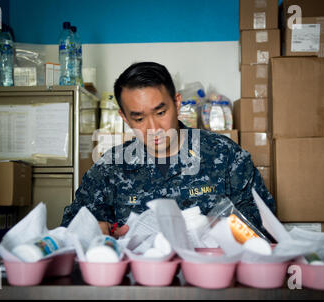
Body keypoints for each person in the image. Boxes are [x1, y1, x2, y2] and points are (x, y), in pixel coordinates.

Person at [61, 61, 276, 239]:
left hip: (210, 282)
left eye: (161, 112)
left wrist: (217, 227)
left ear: (177, 103)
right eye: (139, 118)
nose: (154, 129)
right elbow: (71, 227)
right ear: (124, 118)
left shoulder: (225, 155)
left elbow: (265, 223)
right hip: (139, 285)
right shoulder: (110, 168)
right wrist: (96, 232)